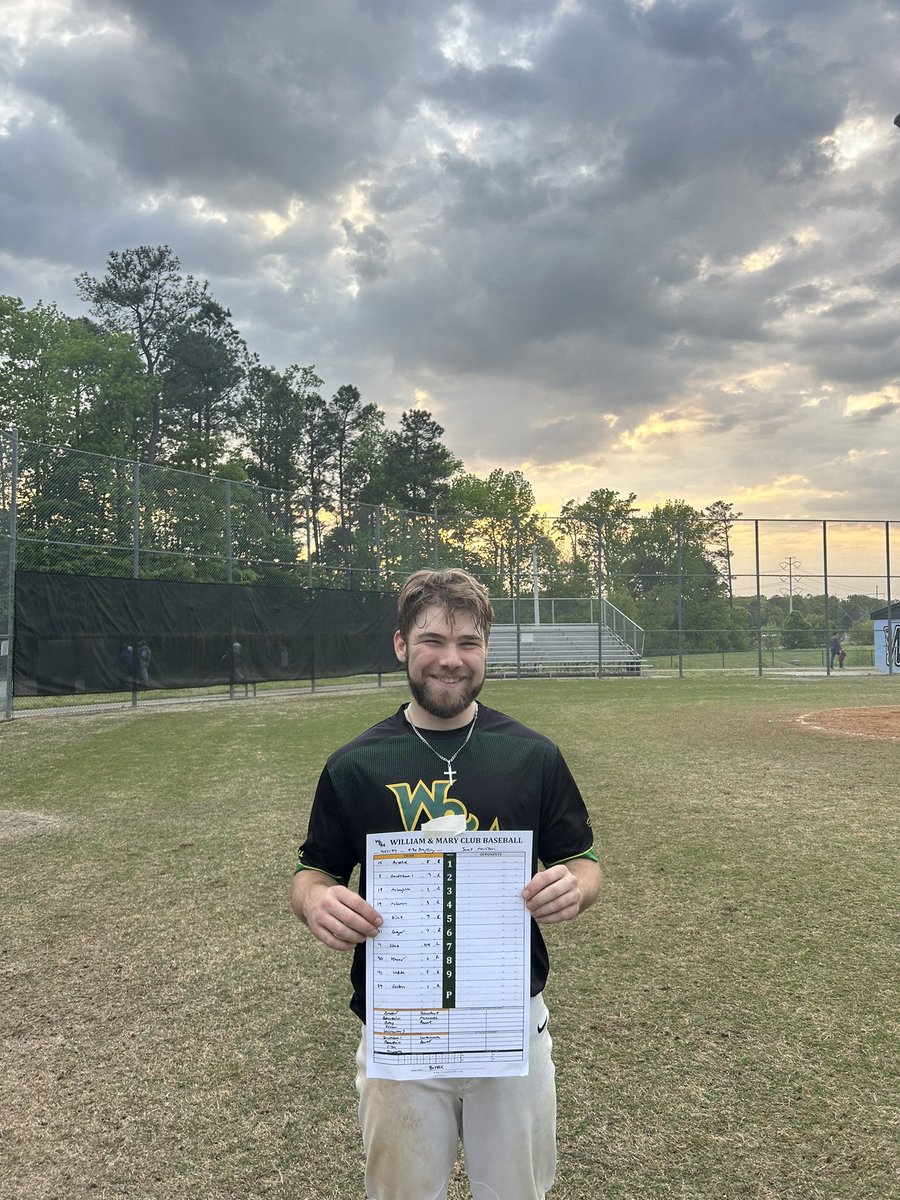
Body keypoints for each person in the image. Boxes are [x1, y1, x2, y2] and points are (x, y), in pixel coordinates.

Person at [291, 568, 601, 1200]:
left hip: (509, 1024)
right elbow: (314, 869)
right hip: (400, 1030)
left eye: (470, 643)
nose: (451, 660)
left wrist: (574, 886)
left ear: (487, 648)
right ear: (402, 645)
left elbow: (584, 862)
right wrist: (316, 900)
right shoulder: (356, 764)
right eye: (433, 640)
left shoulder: (532, 756)